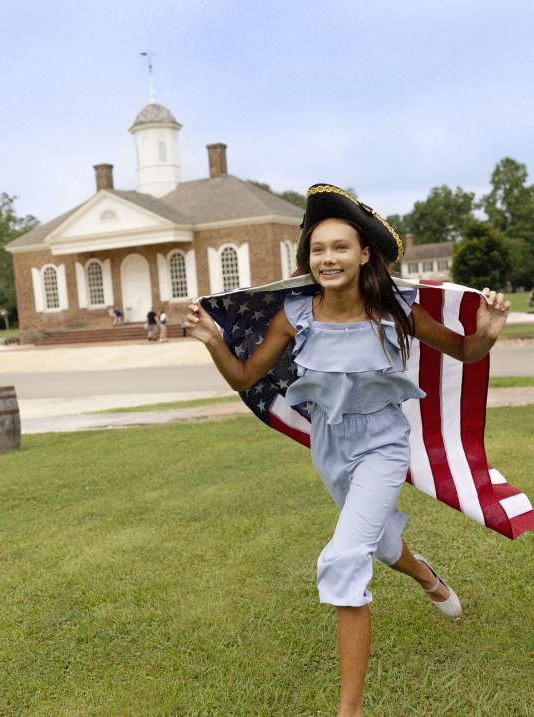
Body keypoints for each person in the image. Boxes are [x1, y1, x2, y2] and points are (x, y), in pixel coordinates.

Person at [185, 184, 510, 717]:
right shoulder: (296, 316)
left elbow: (465, 351)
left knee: (342, 559)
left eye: (340, 247)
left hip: (383, 443)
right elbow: (246, 375)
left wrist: (488, 334)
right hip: (330, 445)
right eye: (318, 249)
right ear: (307, 259)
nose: (327, 258)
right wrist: (214, 342)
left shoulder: (398, 312)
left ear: (364, 255)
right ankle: (426, 574)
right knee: (378, 546)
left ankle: (349, 711)